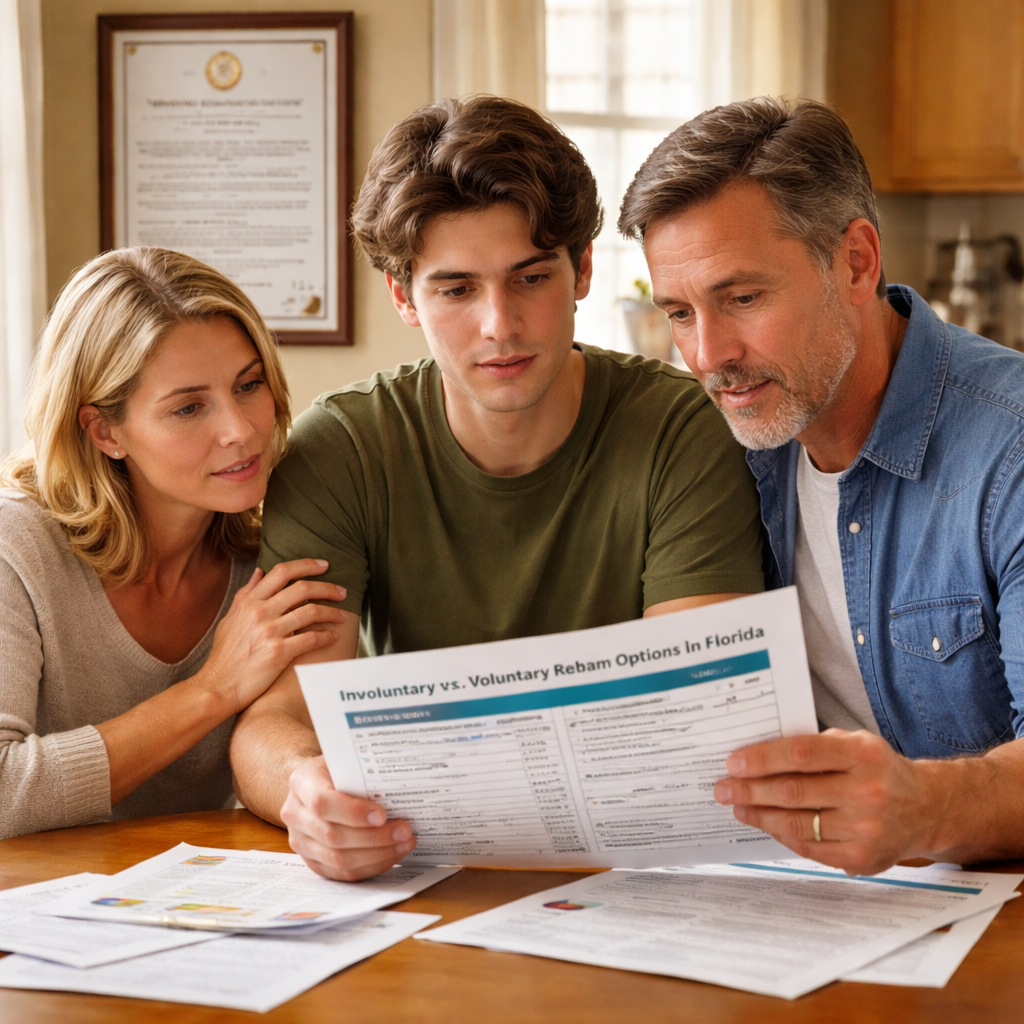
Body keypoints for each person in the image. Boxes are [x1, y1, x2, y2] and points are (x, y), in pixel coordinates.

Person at [230, 96, 766, 880]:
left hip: (635, 871)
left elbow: (688, 721)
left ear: (583, 268)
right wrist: (304, 790)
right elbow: (276, 720)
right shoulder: (338, 449)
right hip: (415, 870)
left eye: (530, 277)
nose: (499, 325)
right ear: (403, 296)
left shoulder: (683, 429)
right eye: (456, 289)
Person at [618, 97, 1024, 874]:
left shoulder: (1010, 451)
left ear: (858, 262)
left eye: (742, 298)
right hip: (788, 905)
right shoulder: (718, 447)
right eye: (678, 311)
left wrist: (926, 807)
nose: (709, 356)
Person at [0, 248, 346, 839]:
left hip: (197, 903)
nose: (240, 430)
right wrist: (211, 690)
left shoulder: (269, 560)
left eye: (249, 384)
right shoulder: (17, 548)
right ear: (105, 431)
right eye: (189, 407)